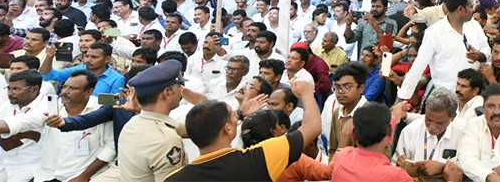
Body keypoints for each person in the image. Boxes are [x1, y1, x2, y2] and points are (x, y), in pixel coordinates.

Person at [166, 80, 320, 181]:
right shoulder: (259, 157)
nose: (236, 118)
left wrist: (239, 113)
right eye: (233, 116)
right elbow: (312, 127)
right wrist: (306, 94)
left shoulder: (173, 179)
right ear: (227, 129)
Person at [398, 0, 490, 103]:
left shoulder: (474, 26)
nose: (473, 10)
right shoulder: (434, 33)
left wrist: (480, 56)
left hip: (474, 97)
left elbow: (486, 50)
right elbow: (418, 67)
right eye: (471, 7)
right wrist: (401, 99)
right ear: (460, 9)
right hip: (447, 99)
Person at [116, 60, 189, 182]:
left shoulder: (133, 123)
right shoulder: (167, 139)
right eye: (179, 87)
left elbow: (187, 129)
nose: (181, 91)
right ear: (167, 92)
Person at [0, 70, 48, 182]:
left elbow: (19, 123)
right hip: (3, 161)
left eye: (16, 89)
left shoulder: (47, 106)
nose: (10, 93)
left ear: (34, 89)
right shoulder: (6, 105)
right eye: (9, 88)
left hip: (32, 163)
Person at [328, 102, 412, 181]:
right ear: (389, 133)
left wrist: (393, 119)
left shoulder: (342, 156)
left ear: (353, 135)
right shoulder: (398, 176)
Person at [394, 88, 464, 178]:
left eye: (439, 123)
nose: (432, 127)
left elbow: (469, 170)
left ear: (453, 117)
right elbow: (395, 166)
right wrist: (401, 166)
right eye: (428, 119)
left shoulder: (464, 133)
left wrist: (442, 168)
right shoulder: (410, 131)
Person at [320, 62, 370, 160]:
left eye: (347, 87)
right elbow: (332, 149)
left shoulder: (370, 114)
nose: (340, 92)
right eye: (337, 87)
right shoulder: (337, 112)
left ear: (361, 88)